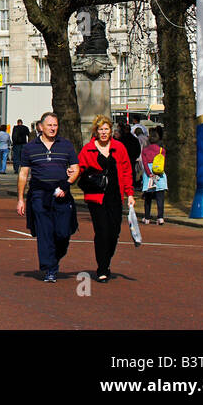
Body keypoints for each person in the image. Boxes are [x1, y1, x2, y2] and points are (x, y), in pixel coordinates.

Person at [17, 112, 80, 282]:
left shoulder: (66, 145)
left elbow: (76, 168)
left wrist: (66, 184)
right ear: (41, 127)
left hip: (61, 194)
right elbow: (23, 174)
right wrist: (21, 199)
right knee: (45, 232)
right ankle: (49, 268)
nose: (52, 128)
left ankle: (55, 258)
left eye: (55, 125)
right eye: (49, 125)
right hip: (39, 194)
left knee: (62, 233)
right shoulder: (30, 148)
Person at [78, 115, 134, 282]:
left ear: (111, 131)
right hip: (96, 197)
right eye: (101, 129)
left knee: (114, 232)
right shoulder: (88, 149)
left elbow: (126, 170)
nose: (103, 132)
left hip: (115, 196)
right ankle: (102, 268)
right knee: (102, 231)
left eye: (106, 129)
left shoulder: (119, 148)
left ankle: (106, 261)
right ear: (96, 131)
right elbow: (78, 168)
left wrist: (130, 193)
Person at [139, 126, 168, 224]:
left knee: (148, 198)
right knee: (160, 197)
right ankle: (160, 217)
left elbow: (145, 164)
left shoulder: (145, 151)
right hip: (160, 175)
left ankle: (147, 217)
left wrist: (149, 174)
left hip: (149, 176)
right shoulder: (161, 150)